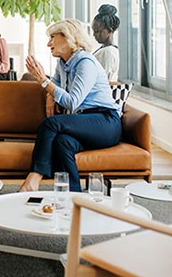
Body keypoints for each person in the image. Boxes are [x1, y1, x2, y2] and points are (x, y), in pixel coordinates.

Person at [19, 19, 122, 193]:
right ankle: (73, 196)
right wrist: (49, 95)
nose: (48, 43)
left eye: (52, 37)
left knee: (50, 124)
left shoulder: (85, 63)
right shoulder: (63, 63)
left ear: (68, 38)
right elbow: (55, 86)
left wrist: (42, 80)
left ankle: (33, 179)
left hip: (105, 122)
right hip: (85, 122)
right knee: (62, 142)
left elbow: (73, 101)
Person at [91, 4, 120, 82]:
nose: (94, 35)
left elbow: (105, 80)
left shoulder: (108, 52)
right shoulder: (107, 49)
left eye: (97, 31)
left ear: (109, 31)